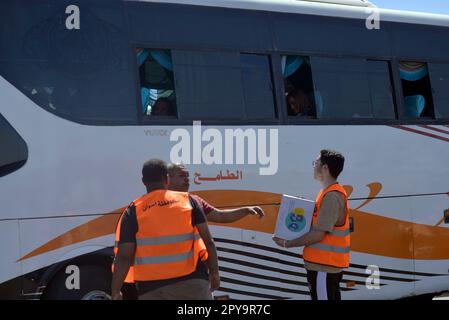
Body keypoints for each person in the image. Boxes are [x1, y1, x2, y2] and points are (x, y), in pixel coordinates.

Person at [111, 159, 220, 300]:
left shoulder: (133, 211)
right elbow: (208, 241)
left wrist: (115, 290)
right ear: (167, 179)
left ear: (143, 181)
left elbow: (124, 256)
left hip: (152, 289)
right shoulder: (188, 201)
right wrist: (214, 272)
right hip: (193, 284)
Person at [272, 149, 350, 300]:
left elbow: (318, 234)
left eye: (316, 163)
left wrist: (287, 243)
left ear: (325, 168)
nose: (314, 166)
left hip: (324, 267)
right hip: (324, 266)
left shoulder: (331, 196)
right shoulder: (326, 193)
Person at [167, 163, 265, 222]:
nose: (187, 179)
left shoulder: (194, 201)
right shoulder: (156, 201)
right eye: (182, 175)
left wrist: (246, 210)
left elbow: (221, 216)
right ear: (168, 178)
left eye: (187, 175)